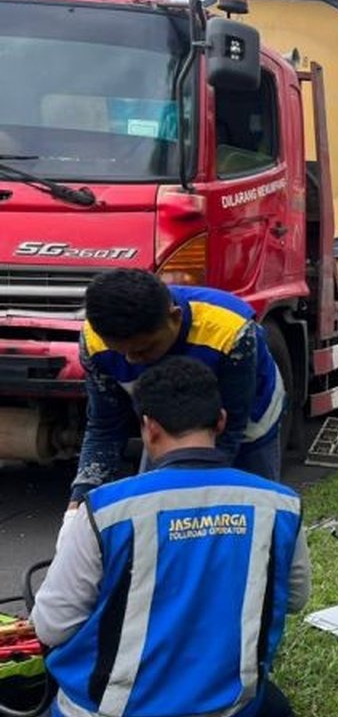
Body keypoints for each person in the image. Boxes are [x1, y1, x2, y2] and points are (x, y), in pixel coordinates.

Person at [34, 357, 310, 717]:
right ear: (221, 421)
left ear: (149, 428)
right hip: (232, 708)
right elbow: (295, 598)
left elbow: (51, 627)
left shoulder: (104, 510)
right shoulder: (280, 505)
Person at [69, 269, 285, 510]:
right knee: (155, 507)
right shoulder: (95, 340)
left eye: (144, 350)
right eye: (119, 352)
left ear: (175, 317)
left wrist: (201, 495)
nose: (131, 361)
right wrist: (81, 498)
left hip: (246, 419)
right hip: (164, 418)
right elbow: (105, 426)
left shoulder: (230, 331)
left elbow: (231, 427)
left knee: (253, 507)